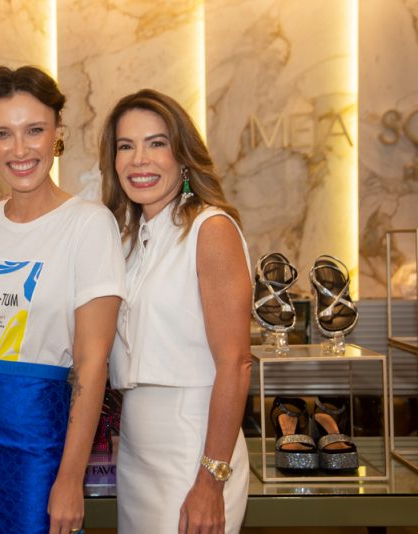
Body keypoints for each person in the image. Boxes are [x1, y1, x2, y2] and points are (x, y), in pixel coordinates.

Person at [0, 65, 125, 534]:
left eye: (34, 130)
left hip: (34, 438)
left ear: (58, 133)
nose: (19, 149)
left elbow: (93, 364)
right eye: (2, 134)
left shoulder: (89, 225)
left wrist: (69, 478)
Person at [101, 89, 251, 534]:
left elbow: (237, 363)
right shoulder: (129, 240)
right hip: (135, 448)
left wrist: (210, 480)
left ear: (183, 158)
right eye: (126, 146)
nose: (138, 160)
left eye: (156, 143)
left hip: (193, 447)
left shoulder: (211, 229)